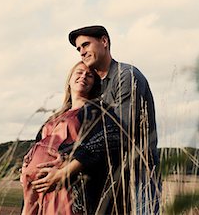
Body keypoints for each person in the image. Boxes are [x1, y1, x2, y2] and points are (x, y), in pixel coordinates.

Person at [68, 25, 161, 214]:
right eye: (79, 49)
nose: (82, 52)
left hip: (139, 174)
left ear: (104, 41)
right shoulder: (97, 87)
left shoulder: (125, 75)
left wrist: (72, 165)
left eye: (85, 45)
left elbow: (120, 130)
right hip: (110, 178)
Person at [21, 61, 120, 215]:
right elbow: (40, 145)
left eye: (89, 75)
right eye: (79, 72)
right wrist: (28, 162)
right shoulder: (55, 116)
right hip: (41, 191)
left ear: (94, 84)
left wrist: (68, 161)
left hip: (67, 187)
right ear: (69, 79)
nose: (83, 77)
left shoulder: (97, 110)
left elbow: (111, 137)